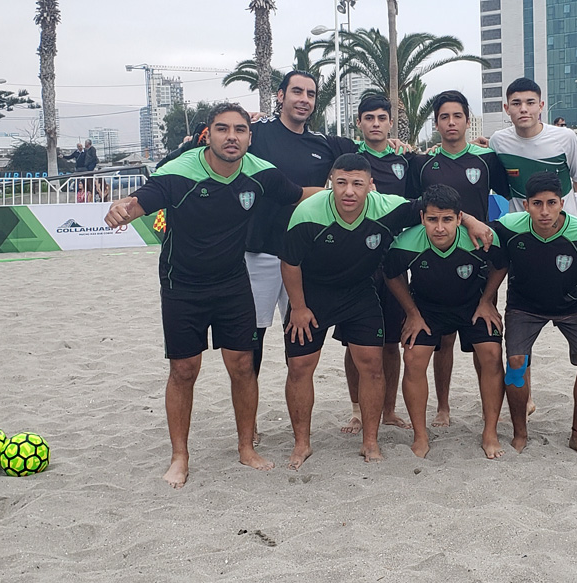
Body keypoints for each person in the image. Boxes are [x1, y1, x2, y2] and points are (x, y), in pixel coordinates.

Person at [103, 103, 320, 487]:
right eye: (223, 129)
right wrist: (123, 208)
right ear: (209, 133)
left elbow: (299, 194)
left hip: (233, 282)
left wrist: (348, 192)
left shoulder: (259, 173)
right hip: (181, 285)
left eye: (240, 129)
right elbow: (139, 202)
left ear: (250, 137)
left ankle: (246, 448)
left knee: (242, 365)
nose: (231, 136)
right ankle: (180, 456)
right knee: (184, 371)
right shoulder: (179, 171)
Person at [279, 154, 493, 470]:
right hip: (313, 293)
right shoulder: (307, 213)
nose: (348, 191)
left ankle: (370, 441)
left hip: (359, 292)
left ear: (371, 186)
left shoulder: (388, 207)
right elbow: (290, 262)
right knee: (299, 366)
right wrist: (297, 307)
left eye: (357, 184)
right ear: (331, 184)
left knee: (372, 365)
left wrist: (472, 220)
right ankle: (302, 444)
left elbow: (435, 207)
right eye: (341, 183)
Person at [489, 76, 577, 415]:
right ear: (506, 109)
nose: (523, 109)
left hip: (567, 236)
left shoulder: (565, 138)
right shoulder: (499, 142)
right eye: (516, 103)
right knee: (520, 318)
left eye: (530, 102)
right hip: (523, 242)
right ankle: (525, 397)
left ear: (541, 105)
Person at [243, 71, 358, 383]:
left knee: (300, 345)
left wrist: (393, 141)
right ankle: (249, 426)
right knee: (250, 344)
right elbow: (209, 139)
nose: (304, 99)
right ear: (280, 96)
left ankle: (299, 425)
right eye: (296, 92)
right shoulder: (256, 132)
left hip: (303, 257)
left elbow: (369, 154)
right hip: (260, 252)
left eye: (310, 94)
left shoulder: (325, 144)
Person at [407, 90, 510, 427]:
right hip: (437, 262)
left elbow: (520, 190)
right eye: (444, 117)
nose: (451, 123)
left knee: (486, 340)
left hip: (480, 261)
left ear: (468, 120)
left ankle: (490, 413)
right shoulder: (422, 165)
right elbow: (413, 209)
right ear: (435, 123)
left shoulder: (486, 160)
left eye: (457, 116)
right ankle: (443, 407)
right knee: (443, 342)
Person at [383, 184, 506, 458]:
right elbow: (391, 274)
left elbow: (501, 264)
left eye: (447, 219)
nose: (440, 228)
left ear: (459, 218)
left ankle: (490, 433)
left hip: (471, 305)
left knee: (492, 353)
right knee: (413, 358)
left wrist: (487, 301)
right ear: (422, 218)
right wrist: (412, 313)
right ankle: (421, 436)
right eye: (432, 219)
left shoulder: (479, 239)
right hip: (427, 309)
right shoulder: (406, 243)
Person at [490, 171, 577, 455]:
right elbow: (478, 235)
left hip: (571, 307)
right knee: (516, 362)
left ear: (562, 203)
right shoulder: (508, 227)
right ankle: (520, 432)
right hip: (524, 307)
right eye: (537, 203)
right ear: (525, 205)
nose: (544, 211)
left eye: (551, 203)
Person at [337, 94, 416, 435]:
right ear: (359, 122)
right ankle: (357, 410)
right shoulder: (351, 157)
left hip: (394, 259)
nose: (375, 124)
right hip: (356, 261)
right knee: (354, 341)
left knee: (390, 342)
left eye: (381, 118)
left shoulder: (404, 160)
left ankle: (389, 409)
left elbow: (416, 207)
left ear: (390, 123)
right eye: (368, 118)